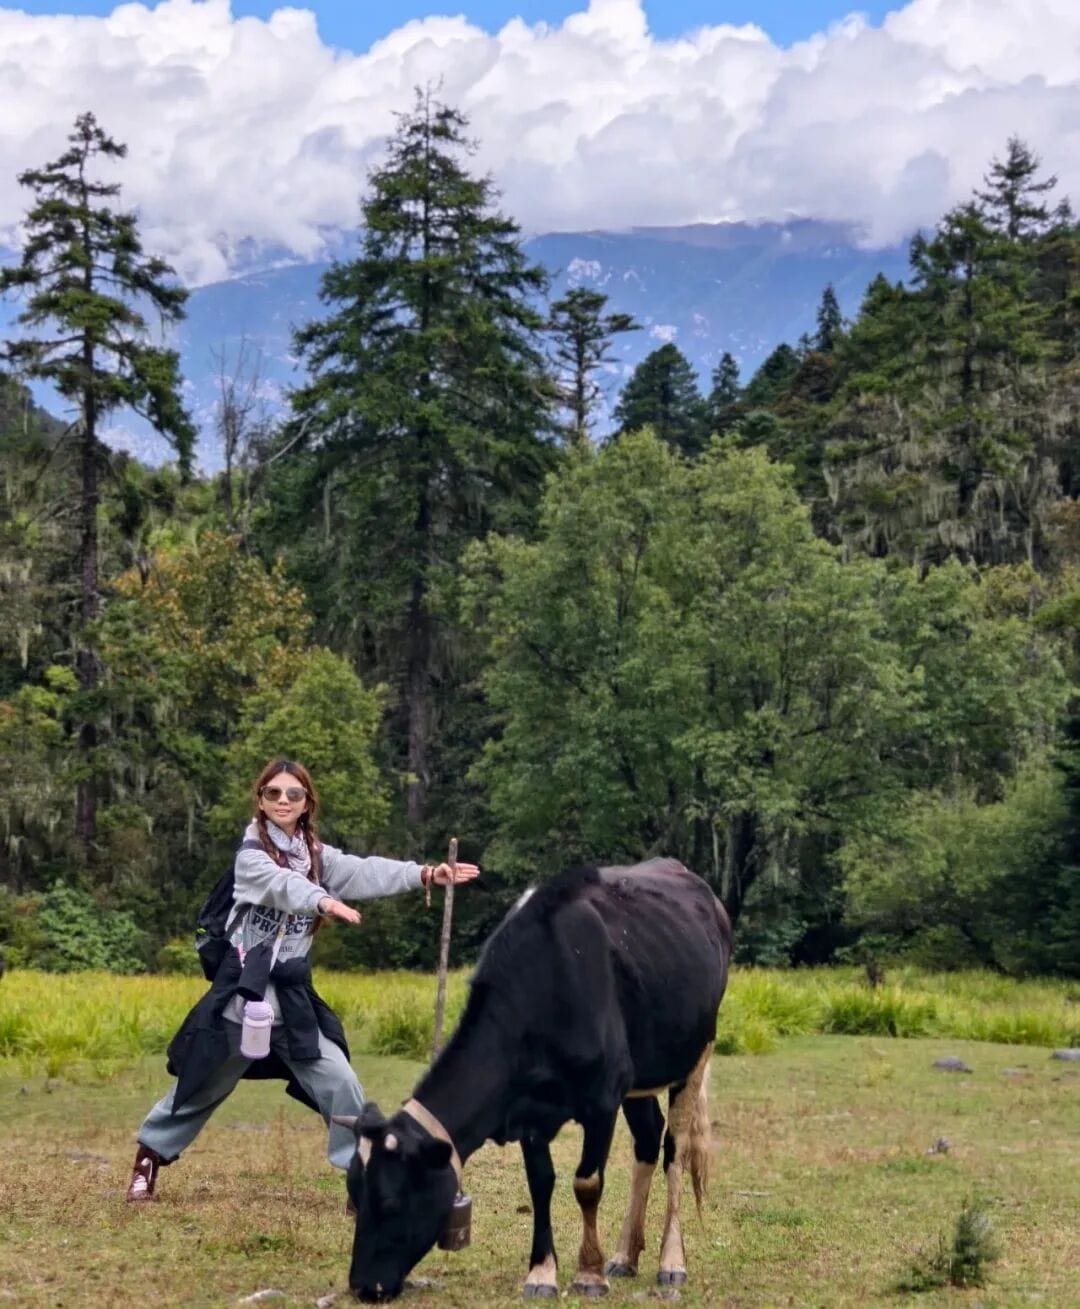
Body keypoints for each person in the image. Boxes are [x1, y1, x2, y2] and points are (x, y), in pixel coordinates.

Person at [125, 756, 479, 1204]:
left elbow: (362, 870)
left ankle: (361, 1176)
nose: (283, 801)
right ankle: (148, 1159)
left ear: (307, 802)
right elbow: (281, 886)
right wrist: (323, 902)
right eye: (273, 793)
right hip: (245, 997)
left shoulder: (314, 854)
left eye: (294, 794)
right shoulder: (250, 856)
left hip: (291, 1000)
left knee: (340, 1082)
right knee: (201, 1084)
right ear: (260, 799)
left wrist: (425, 873)